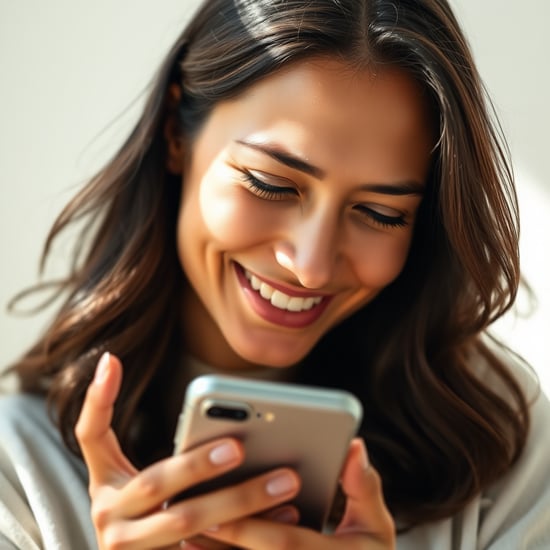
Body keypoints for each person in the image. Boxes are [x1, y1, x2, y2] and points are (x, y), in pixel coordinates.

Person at [1, 0, 549, 548]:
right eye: (270, 184)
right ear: (175, 133)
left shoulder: (502, 449)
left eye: (381, 214)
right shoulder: (18, 472)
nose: (310, 267)